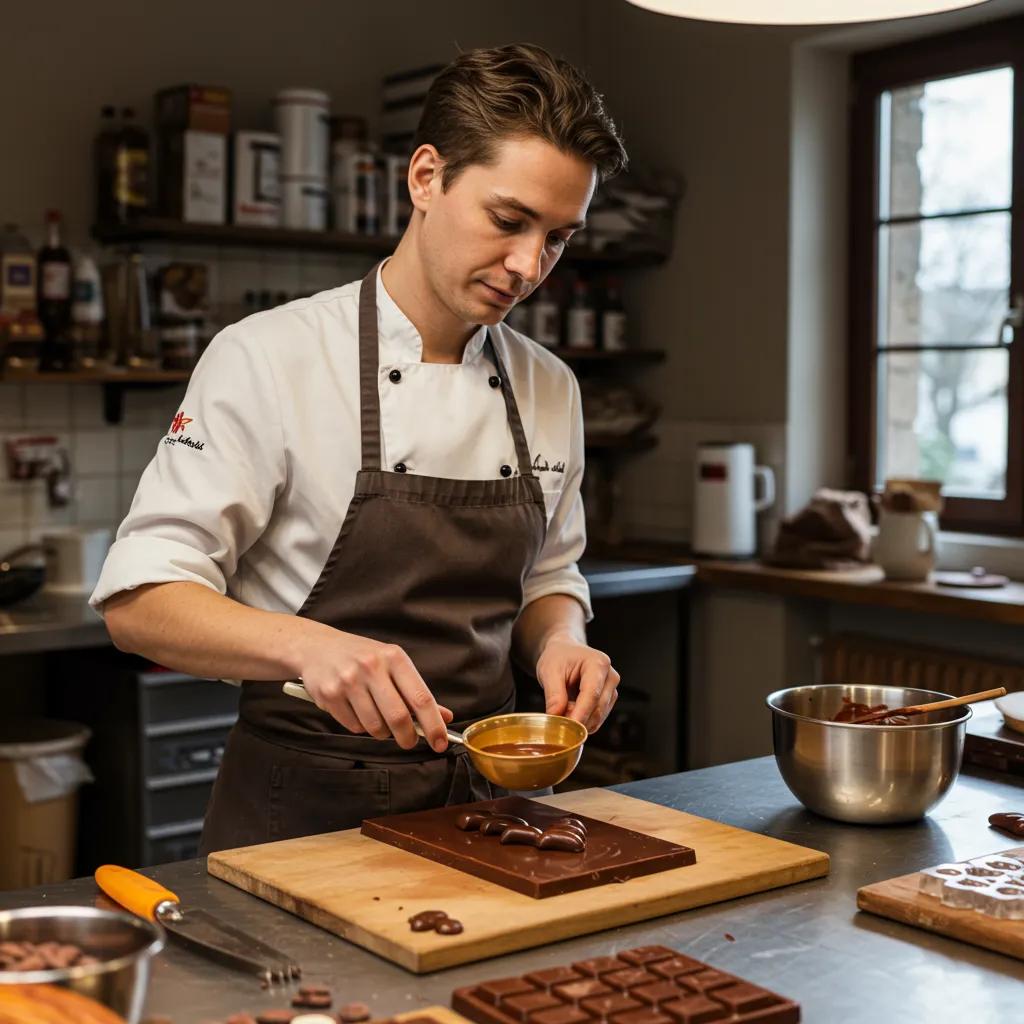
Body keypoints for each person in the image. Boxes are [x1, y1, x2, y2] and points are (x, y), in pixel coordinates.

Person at [90, 43, 627, 853]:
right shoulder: (268, 355)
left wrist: (563, 643)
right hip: (299, 816)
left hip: (485, 811)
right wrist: (306, 646)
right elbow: (140, 599)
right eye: (509, 220)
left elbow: (550, 573)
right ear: (425, 178)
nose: (528, 266)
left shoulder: (550, 386)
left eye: (558, 237)